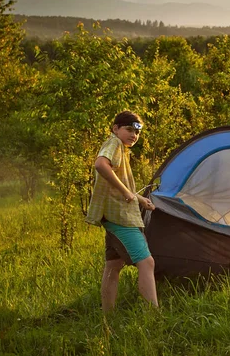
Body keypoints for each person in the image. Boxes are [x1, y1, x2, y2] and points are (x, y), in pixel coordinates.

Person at [85, 111, 158, 312]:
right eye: (129, 130)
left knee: (113, 265)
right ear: (115, 128)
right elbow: (100, 164)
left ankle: (108, 314)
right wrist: (126, 192)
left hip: (111, 215)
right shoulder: (114, 144)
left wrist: (140, 199)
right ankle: (153, 316)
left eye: (137, 133)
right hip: (120, 217)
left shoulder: (121, 149)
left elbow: (117, 182)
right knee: (146, 262)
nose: (133, 135)